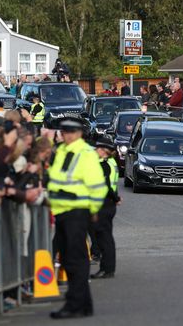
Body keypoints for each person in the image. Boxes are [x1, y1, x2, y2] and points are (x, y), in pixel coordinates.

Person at [48, 119, 108, 319]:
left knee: (75, 260)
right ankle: (84, 304)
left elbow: (98, 186)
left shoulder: (85, 154)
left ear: (79, 133)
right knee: (70, 258)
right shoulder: (63, 151)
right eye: (64, 131)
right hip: (62, 211)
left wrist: (93, 210)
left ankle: (74, 304)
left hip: (77, 212)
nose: (66, 135)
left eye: (70, 132)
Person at [91, 138, 121, 279]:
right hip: (109, 202)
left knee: (104, 239)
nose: (95, 150)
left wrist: (115, 198)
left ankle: (107, 269)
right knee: (105, 237)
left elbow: (105, 185)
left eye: (97, 148)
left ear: (104, 151)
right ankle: (107, 268)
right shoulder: (111, 162)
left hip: (104, 203)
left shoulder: (104, 164)